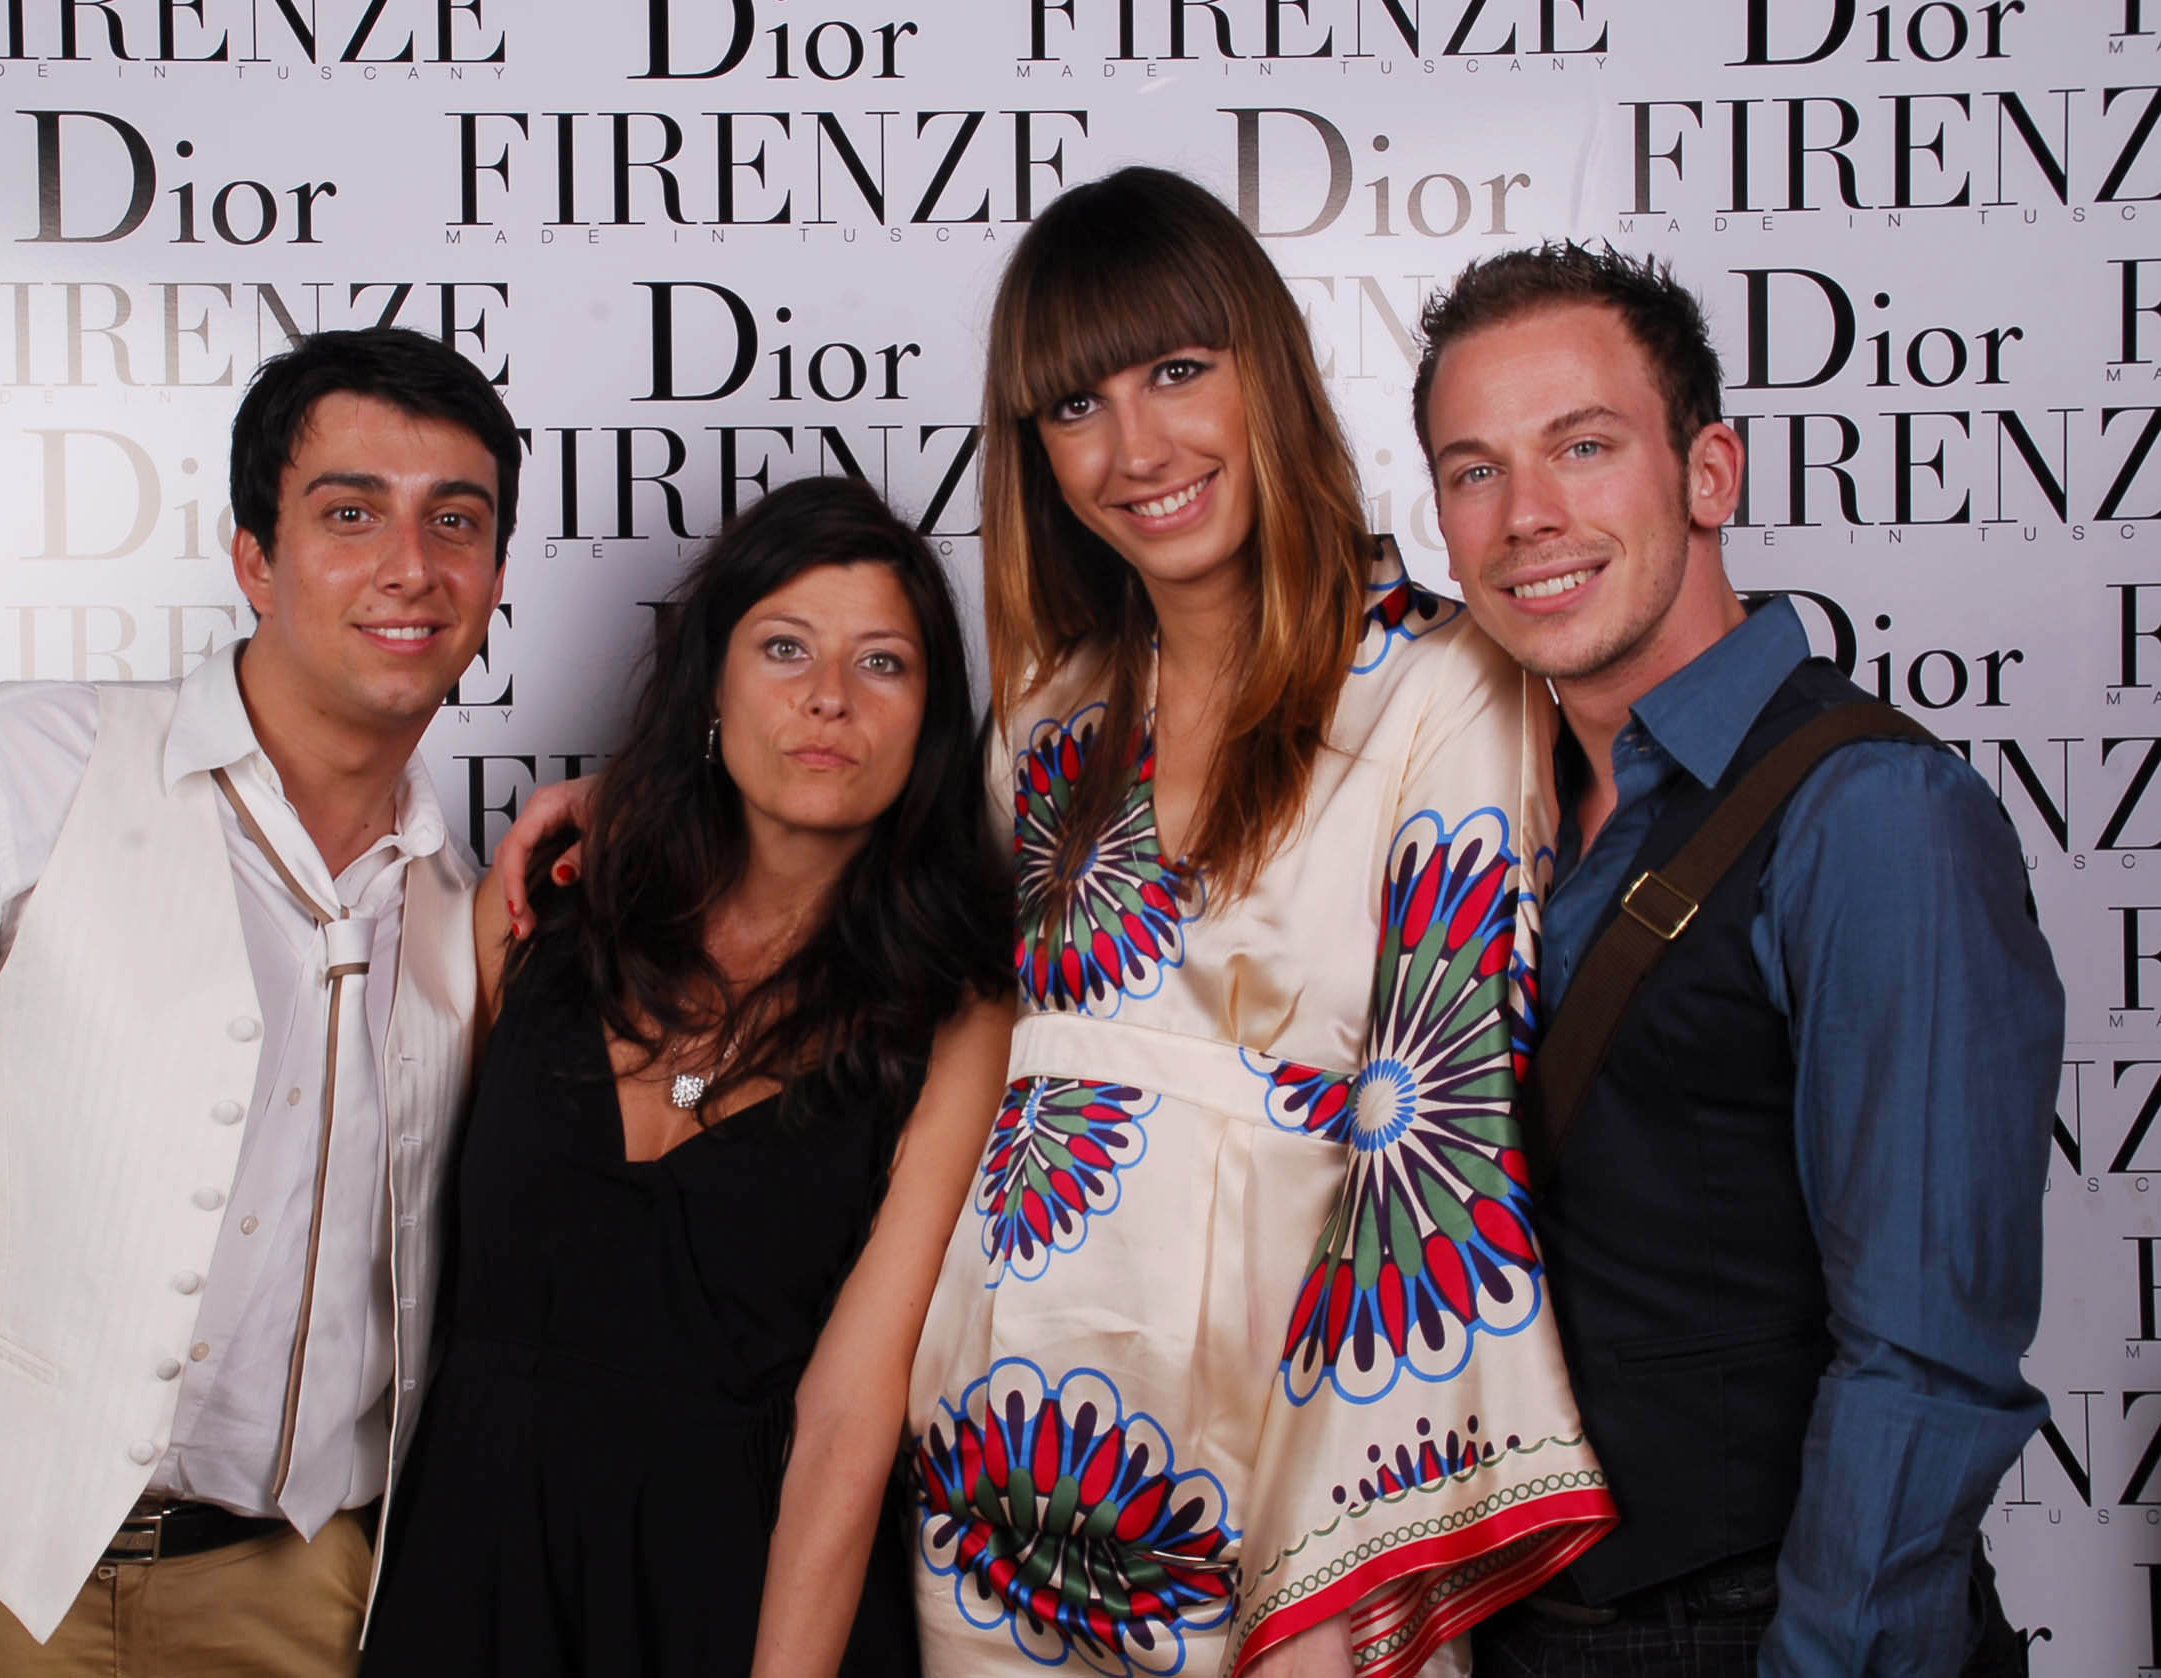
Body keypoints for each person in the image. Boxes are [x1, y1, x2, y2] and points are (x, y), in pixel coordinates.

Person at [499, 166, 1616, 1678]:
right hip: (1001, 1458)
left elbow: (1445, 1126)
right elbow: (875, 918)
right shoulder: (1052, 716)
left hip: (1279, 1466)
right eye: (1075, 405)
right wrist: (633, 806)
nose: (1134, 448)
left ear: (1264, 372)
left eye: (1176, 372)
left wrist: (1332, 1568)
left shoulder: (1447, 684)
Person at [0, 326, 519, 1678]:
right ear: (252, 558)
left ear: (495, 577)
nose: (411, 566)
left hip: (295, 1607)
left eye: (457, 520)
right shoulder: (23, 764)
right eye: (349, 512)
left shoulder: (469, 910)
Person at [1412, 244, 2056, 1676]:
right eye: (1475, 470)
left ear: (1710, 473)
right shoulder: (1476, 807)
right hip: (1517, 1629)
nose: (1529, 516)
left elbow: (1925, 1355)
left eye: (1583, 447)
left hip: (1764, 1628)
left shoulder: (1876, 813)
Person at [360, 474, 1015, 1676]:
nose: (827, 698)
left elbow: (850, 1414)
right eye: (783, 648)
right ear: (711, 683)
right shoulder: (535, 919)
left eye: (883, 663)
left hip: (746, 1601)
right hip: (473, 1578)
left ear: (929, 720)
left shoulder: (957, 1018)